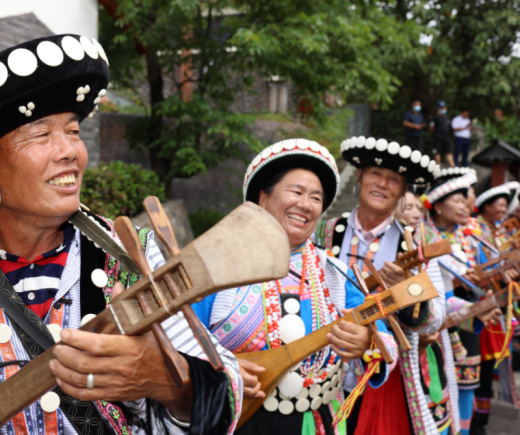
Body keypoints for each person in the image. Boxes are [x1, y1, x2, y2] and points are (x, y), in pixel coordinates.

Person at [0, 36, 242, 435]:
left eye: (74, 132)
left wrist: (171, 384)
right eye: (41, 135)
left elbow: (230, 393)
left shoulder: (133, 256)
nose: (70, 152)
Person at [192, 139, 399, 434]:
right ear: (263, 198)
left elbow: (386, 341)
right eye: (297, 192)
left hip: (314, 422)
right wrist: (220, 370)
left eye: (316, 198)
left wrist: (366, 341)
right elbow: (177, 343)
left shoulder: (334, 274)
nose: (306, 204)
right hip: (236, 420)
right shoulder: (219, 267)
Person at [316, 136, 447, 435]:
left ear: (403, 191)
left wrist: (407, 293)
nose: (383, 183)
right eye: (375, 173)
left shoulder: (418, 243)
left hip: (385, 374)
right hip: (323, 368)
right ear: (360, 177)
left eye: (393, 179)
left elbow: (436, 317)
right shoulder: (324, 231)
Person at [422, 172, 502, 435]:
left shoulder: (470, 236)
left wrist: (490, 285)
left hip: (468, 322)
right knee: (435, 386)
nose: (464, 206)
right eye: (456, 201)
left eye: (463, 201)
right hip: (434, 321)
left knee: (467, 385)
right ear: (438, 204)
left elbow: (486, 277)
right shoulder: (424, 237)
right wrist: (457, 285)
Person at [471, 185, 520, 434]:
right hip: (478, 304)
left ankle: (481, 418)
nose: (503, 209)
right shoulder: (473, 230)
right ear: (486, 206)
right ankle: (474, 421)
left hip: (496, 305)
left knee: (488, 365)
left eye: (505, 205)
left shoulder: (495, 232)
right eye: (499, 204)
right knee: (478, 365)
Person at [431, 101, 455, 167]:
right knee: (437, 151)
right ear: (438, 108)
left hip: (446, 137)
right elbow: (431, 128)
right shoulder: (435, 117)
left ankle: (452, 165)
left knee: (448, 150)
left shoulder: (446, 116)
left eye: (444, 107)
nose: (443, 109)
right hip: (438, 137)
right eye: (441, 108)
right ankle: (438, 165)